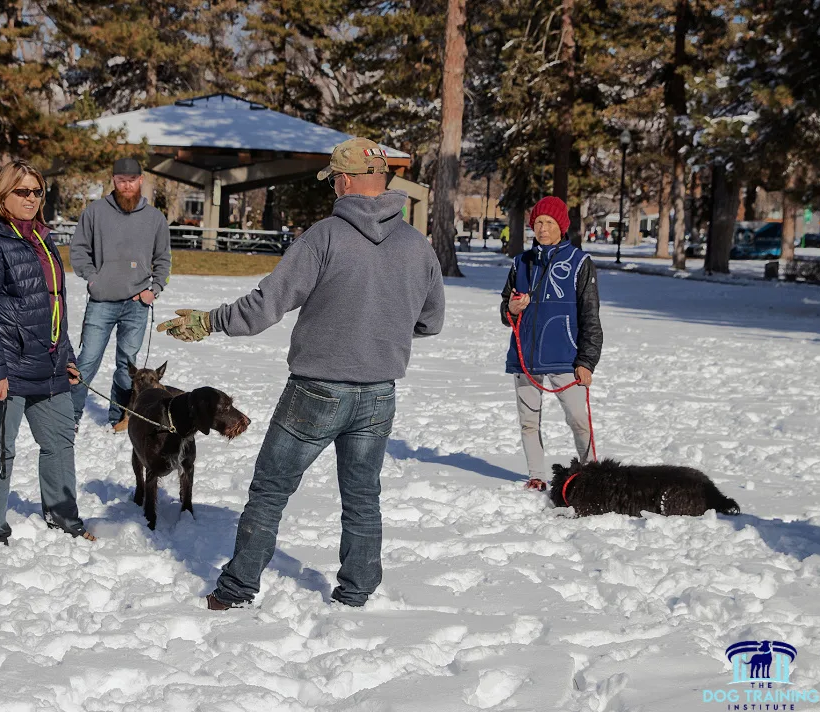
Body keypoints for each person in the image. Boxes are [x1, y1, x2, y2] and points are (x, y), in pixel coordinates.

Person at [158, 138, 445, 610]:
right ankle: (355, 594)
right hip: (378, 394)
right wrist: (380, 326)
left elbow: (266, 306)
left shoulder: (324, 236)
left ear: (347, 181)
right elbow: (430, 321)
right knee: (362, 497)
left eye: (334, 178)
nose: (332, 187)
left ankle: (236, 590)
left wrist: (210, 320)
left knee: (270, 491)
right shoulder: (419, 247)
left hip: (315, 391)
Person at [0, 160, 95, 546]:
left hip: (47, 363)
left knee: (60, 441)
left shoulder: (40, 238)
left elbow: (54, 305)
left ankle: (64, 517)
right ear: (3, 193)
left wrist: (66, 357)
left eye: (37, 192)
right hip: (3, 365)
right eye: (23, 192)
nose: (32, 199)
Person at [499, 195, 603, 491]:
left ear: (562, 226)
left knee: (578, 420)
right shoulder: (522, 262)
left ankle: (591, 476)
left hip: (565, 358)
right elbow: (505, 311)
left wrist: (587, 361)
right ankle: (536, 475)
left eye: (549, 222)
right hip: (525, 358)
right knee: (528, 422)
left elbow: (590, 317)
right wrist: (512, 309)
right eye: (538, 222)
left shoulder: (580, 262)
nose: (542, 228)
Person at [68, 158, 171, 433]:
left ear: (141, 180)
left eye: (132, 180)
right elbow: (78, 250)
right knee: (87, 360)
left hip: (137, 303)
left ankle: (119, 419)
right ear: (113, 180)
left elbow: (163, 259)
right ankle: (70, 418)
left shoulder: (155, 219)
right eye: (121, 180)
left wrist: (155, 289)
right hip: (101, 301)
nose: (126, 185)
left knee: (127, 368)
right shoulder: (95, 212)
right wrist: (92, 278)